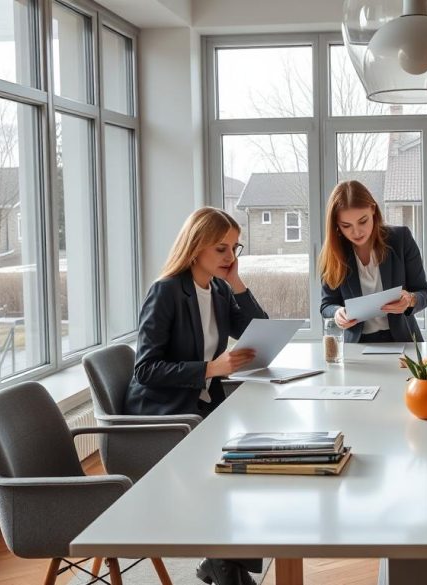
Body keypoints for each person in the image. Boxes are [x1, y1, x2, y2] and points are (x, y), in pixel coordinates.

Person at [124, 207, 267, 585]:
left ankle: (223, 563)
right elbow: (145, 370)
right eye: (221, 249)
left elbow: (260, 329)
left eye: (235, 248)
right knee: (233, 464)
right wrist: (209, 369)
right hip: (163, 413)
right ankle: (224, 566)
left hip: (201, 405)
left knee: (254, 456)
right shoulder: (167, 291)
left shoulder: (219, 289)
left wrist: (237, 282)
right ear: (196, 245)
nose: (230, 257)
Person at [319, 180, 427, 343]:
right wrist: (337, 313)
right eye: (346, 225)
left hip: (403, 341)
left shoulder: (400, 239)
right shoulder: (334, 252)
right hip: (357, 344)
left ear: (373, 209)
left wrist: (410, 299)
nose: (356, 232)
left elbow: (425, 293)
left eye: (363, 221)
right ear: (336, 224)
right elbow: (326, 305)